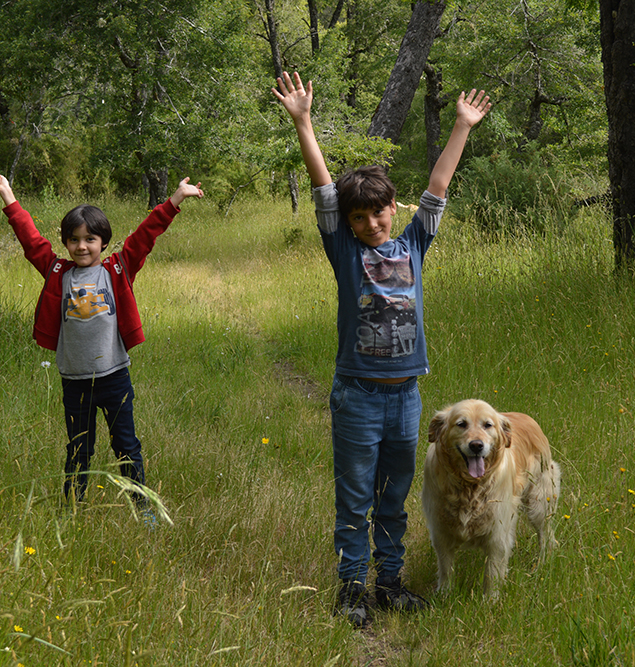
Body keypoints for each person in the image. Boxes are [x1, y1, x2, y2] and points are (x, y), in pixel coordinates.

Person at [273, 71, 490, 627]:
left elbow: (437, 188)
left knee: (394, 497)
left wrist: (462, 127)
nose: (372, 223)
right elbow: (323, 189)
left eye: (380, 212)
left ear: (393, 208)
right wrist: (303, 122)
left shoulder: (414, 243)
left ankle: (388, 582)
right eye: (360, 218)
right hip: (359, 397)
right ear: (348, 224)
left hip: (407, 399)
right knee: (355, 498)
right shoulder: (346, 254)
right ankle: (352, 588)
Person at [0, 172, 203, 523]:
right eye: (74, 240)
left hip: (114, 377)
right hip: (75, 381)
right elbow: (30, 240)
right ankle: (71, 511)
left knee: (126, 446)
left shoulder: (118, 268)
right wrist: (9, 197)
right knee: (79, 449)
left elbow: (146, 235)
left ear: (104, 241)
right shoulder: (57, 271)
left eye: (90, 239)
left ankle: (143, 508)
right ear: (66, 243)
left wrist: (176, 198)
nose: (82, 246)